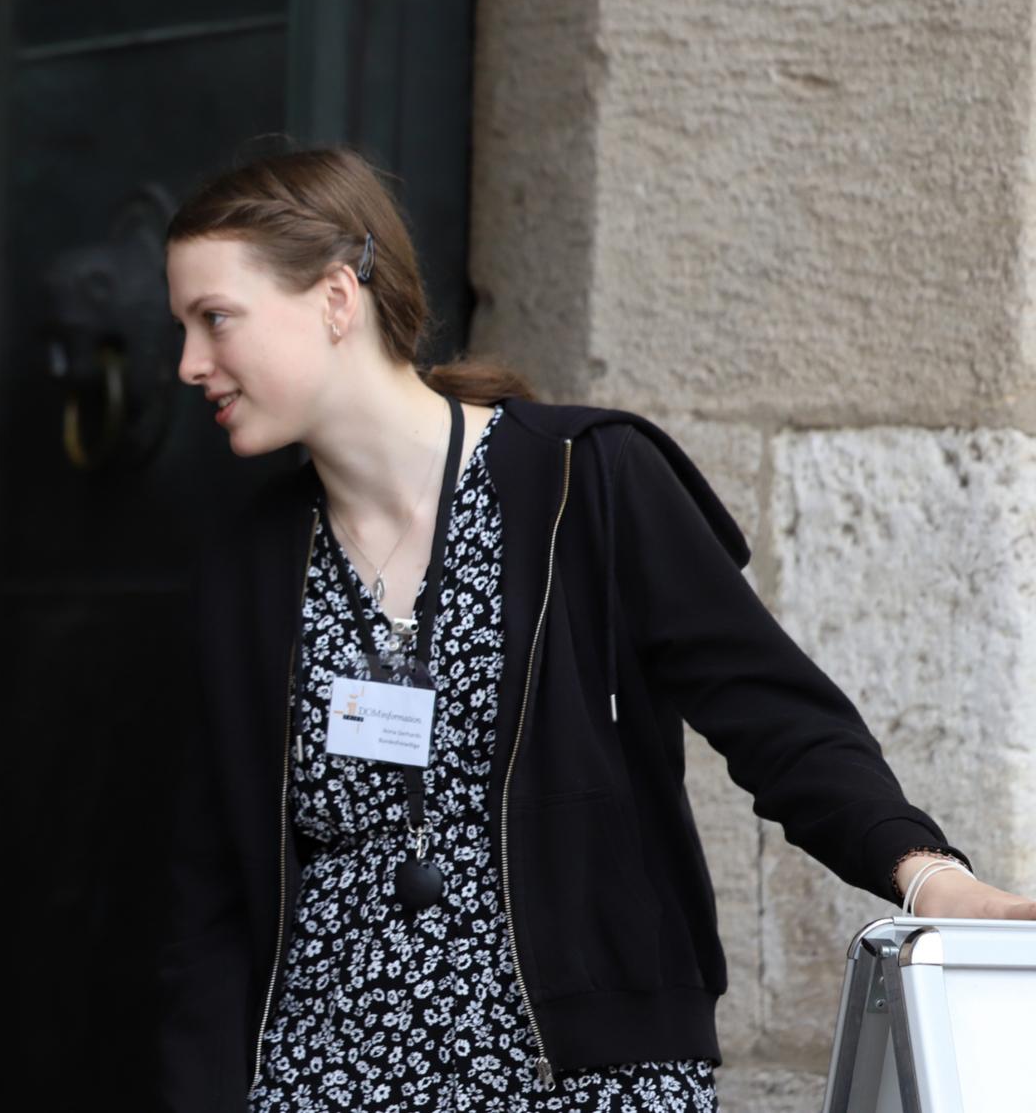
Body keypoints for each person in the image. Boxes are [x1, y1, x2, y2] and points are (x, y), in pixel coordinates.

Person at [153, 145, 1035, 1113]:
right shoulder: (245, 561)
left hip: (587, 1072)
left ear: (333, 298)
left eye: (216, 319)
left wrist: (924, 878)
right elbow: (207, 891)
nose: (190, 363)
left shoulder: (585, 478)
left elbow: (771, 715)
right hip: (319, 1077)